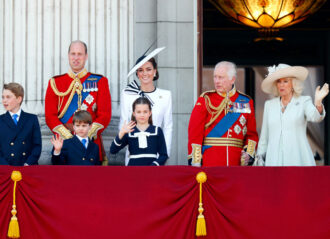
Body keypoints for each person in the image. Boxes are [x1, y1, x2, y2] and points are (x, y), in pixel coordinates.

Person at [45, 40, 111, 165]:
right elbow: (50, 116)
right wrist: (70, 138)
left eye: (80, 54)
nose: (76, 58)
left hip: (90, 143)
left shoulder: (100, 81)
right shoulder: (55, 82)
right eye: (73, 54)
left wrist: (86, 134)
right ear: (68, 55)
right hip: (64, 143)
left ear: (86, 56)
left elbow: (105, 115)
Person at [188, 61, 258, 167]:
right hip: (210, 162)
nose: (217, 81)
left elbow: (251, 134)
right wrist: (196, 162)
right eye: (215, 77)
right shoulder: (206, 100)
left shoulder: (245, 101)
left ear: (232, 79)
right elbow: (195, 133)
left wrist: (248, 154)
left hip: (236, 163)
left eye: (221, 77)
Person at [256, 63, 329, 166]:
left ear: (293, 84)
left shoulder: (304, 101)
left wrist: (318, 102)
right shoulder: (269, 105)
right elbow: (264, 138)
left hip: (298, 160)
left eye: (285, 81)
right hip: (274, 162)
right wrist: (259, 160)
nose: (281, 85)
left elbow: (316, 116)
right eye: (279, 82)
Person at [120, 47, 172, 165]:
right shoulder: (127, 94)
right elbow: (123, 123)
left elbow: (168, 127)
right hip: (133, 155)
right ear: (137, 73)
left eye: (148, 69)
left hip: (157, 157)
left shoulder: (165, 95)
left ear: (155, 71)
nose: (145, 73)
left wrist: (165, 155)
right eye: (140, 70)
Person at [111, 97, 168, 166]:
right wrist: (121, 133)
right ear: (134, 113)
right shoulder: (129, 131)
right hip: (133, 171)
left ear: (150, 113)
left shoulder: (157, 131)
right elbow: (113, 150)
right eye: (139, 112)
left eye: (145, 112)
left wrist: (154, 165)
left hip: (152, 172)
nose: (142, 115)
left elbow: (164, 155)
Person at [0, 83, 42, 165]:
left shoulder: (32, 119)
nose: (4, 100)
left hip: (27, 167)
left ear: (19, 99)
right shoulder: (0, 120)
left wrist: (28, 163)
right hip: (5, 169)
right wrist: (6, 167)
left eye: (8, 97)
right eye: (3, 97)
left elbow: (37, 146)